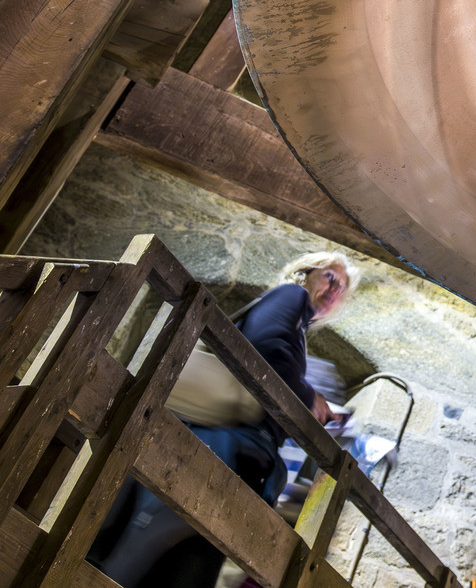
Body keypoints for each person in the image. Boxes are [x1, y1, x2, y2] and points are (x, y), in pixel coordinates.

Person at [89, 251, 361, 588]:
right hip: (228, 450)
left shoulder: (300, 327)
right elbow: (269, 351)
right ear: (305, 273)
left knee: (173, 554)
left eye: (342, 288)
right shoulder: (292, 296)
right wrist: (312, 400)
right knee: (167, 551)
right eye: (329, 277)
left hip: (232, 450)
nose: (334, 289)